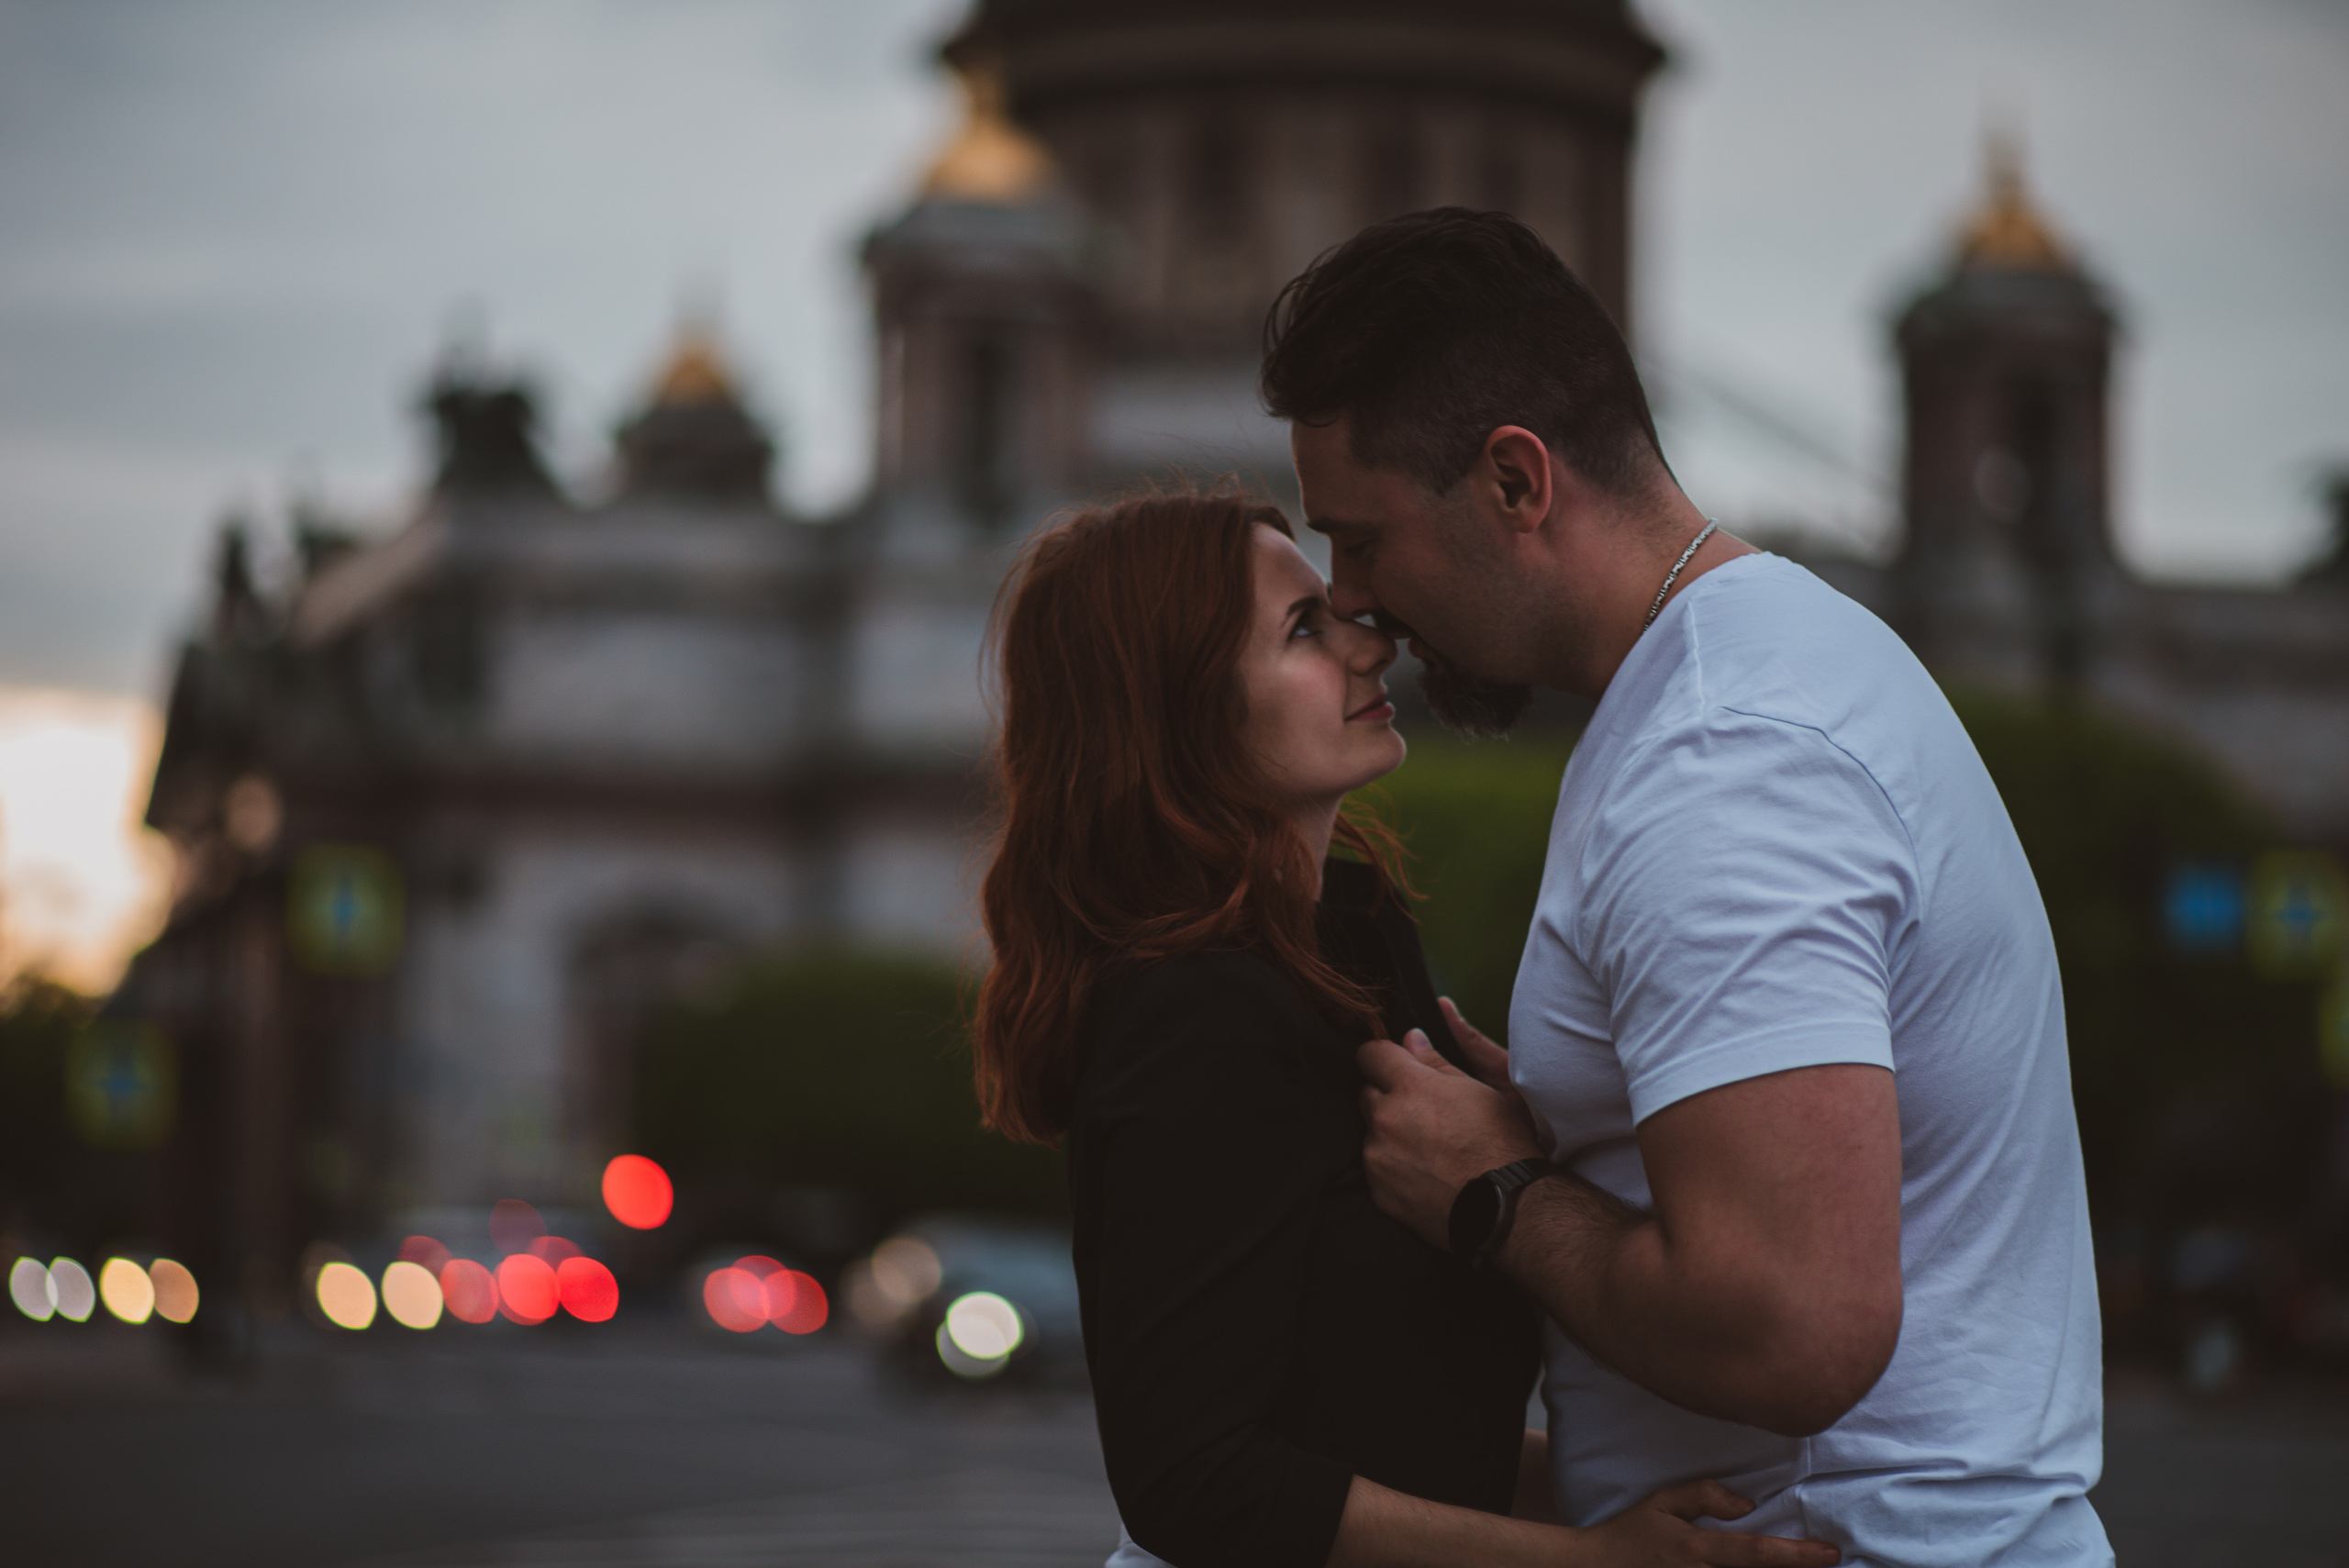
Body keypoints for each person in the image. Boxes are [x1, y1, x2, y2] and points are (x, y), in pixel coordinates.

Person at [1262, 207, 2113, 1567]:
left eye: (1362, 541)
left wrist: (1496, 1191)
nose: (1354, 603)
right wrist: (1577, 1120)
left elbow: (1797, 1329)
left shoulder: (1722, 763)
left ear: (1515, 482)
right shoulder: (1768, 664)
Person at [972, 490, 1842, 1568]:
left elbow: (1391, 1435)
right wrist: (1595, 1558)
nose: (1371, 641)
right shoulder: (1197, 1012)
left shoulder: (1348, 946)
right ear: (1178, 708)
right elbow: (1196, 1483)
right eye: (1303, 628)